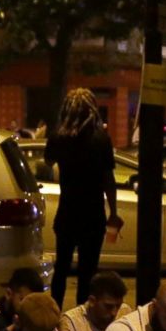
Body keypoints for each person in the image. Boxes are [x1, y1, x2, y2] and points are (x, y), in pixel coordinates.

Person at [43, 88, 124, 308]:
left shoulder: (60, 137)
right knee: (88, 271)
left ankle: (55, 312)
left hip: (68, 212)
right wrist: (114, 211)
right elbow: (109, 179)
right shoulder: (101, 139)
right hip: (93, 214)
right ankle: (82, 316)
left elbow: (48, 161)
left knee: (62, 268)